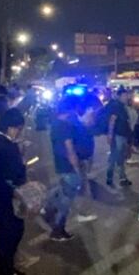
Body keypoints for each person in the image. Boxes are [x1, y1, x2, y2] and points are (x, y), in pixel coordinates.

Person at [0, 109, 30, 275]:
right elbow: (16, 173)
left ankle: (8, 270)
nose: (19, 132)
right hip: (4, 197)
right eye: (18, 128)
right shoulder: (6, 145)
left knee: (13, 232)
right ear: (11, 127)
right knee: (9, 236)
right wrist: (22, 162)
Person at [46, 96, 88, 242]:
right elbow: (70, 149)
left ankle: (47, 208)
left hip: (60, 164)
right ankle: (58, 230)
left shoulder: (55, 124)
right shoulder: (65, 126)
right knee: (66, 202)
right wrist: (77, 168)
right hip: (68, 166)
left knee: (61, 192)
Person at [104, 88, 134, 188]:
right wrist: (110, 134)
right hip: (118, 136)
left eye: (127, 95)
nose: (126, 97)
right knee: (116, 157)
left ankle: (116, 177)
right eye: (124, 96)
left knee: (118, 157)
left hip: (122, 135)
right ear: (119, 96)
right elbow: (112, 120)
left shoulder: (122, 106)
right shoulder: (116, 106)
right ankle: (116, 177)